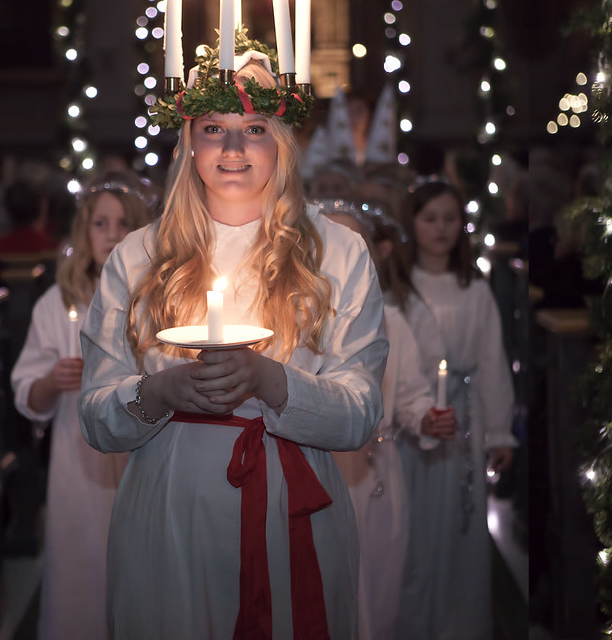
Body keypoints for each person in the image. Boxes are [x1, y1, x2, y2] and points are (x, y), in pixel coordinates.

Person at [79, 36, 388, 639]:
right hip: (169, 511)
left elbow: (361, 412)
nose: (233, 149)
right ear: (188, 141)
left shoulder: (338, 252)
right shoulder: (138, 256)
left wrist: (272, 382)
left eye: (255, 129)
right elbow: (95, 417)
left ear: (283, 142)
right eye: (214, 129)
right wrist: (161, 391)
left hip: (293, 506)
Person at [10, 172, 156, 639]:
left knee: (144, 577)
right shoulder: (58, 303)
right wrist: (52, 382)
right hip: (79, 462)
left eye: (123, 224)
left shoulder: (157, 301)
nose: (112, 235)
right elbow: (26, 393)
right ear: (83, 230)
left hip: (143, 456)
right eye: (100, 223)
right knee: (82, 578)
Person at [321, 200, 457, 640]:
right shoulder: (300, 325)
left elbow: (411, 394)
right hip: (321, 473)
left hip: (376, 472)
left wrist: (426, 419)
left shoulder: (392, 323)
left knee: (378, 590)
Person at [394, 178, 517, 640]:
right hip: (410, 423)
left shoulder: (474, 289)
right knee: (413, 524)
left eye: (450, 219)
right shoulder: (399, 288)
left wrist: (499, 432)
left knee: (456, 525)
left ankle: (455, 624)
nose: (441, 228)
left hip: (462, 419)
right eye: (430, 218)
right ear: (412, 223)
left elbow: (491, 361)